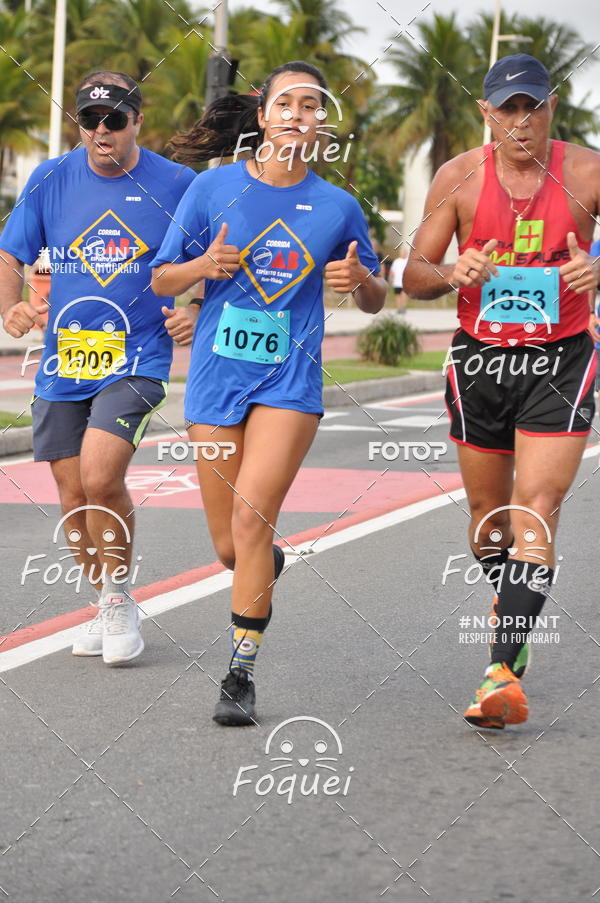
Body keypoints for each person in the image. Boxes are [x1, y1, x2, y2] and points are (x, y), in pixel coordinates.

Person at [151, 60, 387, 726]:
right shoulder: (210, 189)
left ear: (320, 125)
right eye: (286, 103)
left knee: (253, 520)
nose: (298, 115)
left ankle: (239, 674)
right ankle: (262, 565)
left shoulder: (338, 206)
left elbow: (373, 297)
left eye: (312, 106)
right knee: (231, 545)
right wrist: (203, 267)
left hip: (290, 383)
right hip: (216, 382)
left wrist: (358, 279)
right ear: (262, 117)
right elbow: (163, 280)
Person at [403, 54, 600, 729]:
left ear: (552, 108)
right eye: (508, 108)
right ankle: (513, 605)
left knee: (536, 506)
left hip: (560, 360)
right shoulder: (458, 176)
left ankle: (500, 668)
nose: (522, 120)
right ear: (486, 112)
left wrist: (595, 271)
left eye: (534, 106)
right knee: (491, 523)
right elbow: (412, 274)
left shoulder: (588, 172)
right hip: (479, 362)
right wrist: (454, 269)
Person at [0, 71, 196, 664]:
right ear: (79, 124)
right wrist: (11, 302)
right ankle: (106, 595)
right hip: (64, 357)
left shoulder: (178, 183)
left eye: (115, 120)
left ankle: (118, 601)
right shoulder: (51, 178)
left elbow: (217, 261)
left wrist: (194, 307)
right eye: (90, 120)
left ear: (138, 120)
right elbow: (11, 252)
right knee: (70, 491)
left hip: (136, 355)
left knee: (100, 474)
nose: (102, 131)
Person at [388, 248, 408, 312]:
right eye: (402, 252)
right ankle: (399, 308)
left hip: (405, 281)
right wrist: (390, 277)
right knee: (397, 295)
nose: (403, 254)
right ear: (400, 253)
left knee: (403, 294)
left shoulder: (407, 261)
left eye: (404, 252)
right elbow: (392, 270)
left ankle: (403, 307)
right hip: (397, 282)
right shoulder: (396, 261)